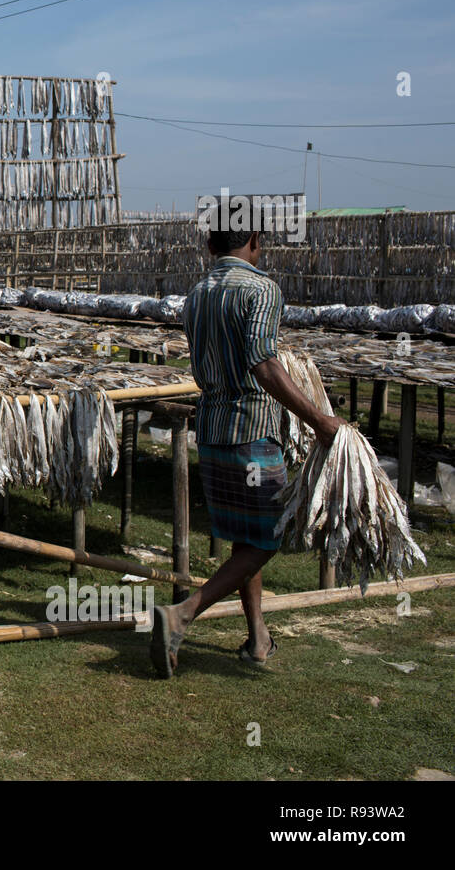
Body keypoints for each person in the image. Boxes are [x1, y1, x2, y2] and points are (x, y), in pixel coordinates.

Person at [150, 222, 344, 678]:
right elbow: (263, 362)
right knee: (270, 535)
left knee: (244, 535)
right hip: (250, 431)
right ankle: (182, 614)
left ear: (210, 244)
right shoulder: (261, 288)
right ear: (254, 241)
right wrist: (319, 420)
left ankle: (257, 638)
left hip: (212, 429)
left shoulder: (197, 294)